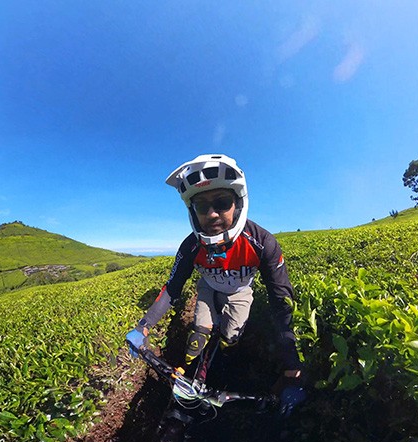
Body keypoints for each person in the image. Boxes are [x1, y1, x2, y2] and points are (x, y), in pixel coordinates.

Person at [125, 154, 306, 418]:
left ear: (238, 203)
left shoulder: (263, 242)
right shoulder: (190, 246)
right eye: (201, 205)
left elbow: (281, 302)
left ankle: (224, 362)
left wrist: (292, 366)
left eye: (222, 202)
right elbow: (173, 288)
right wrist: (144, 326)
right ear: (192, 211)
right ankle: (188, 372)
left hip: (240, 291)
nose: (212, 214)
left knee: (231, 338)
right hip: (208, 289)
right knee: (198, 335)